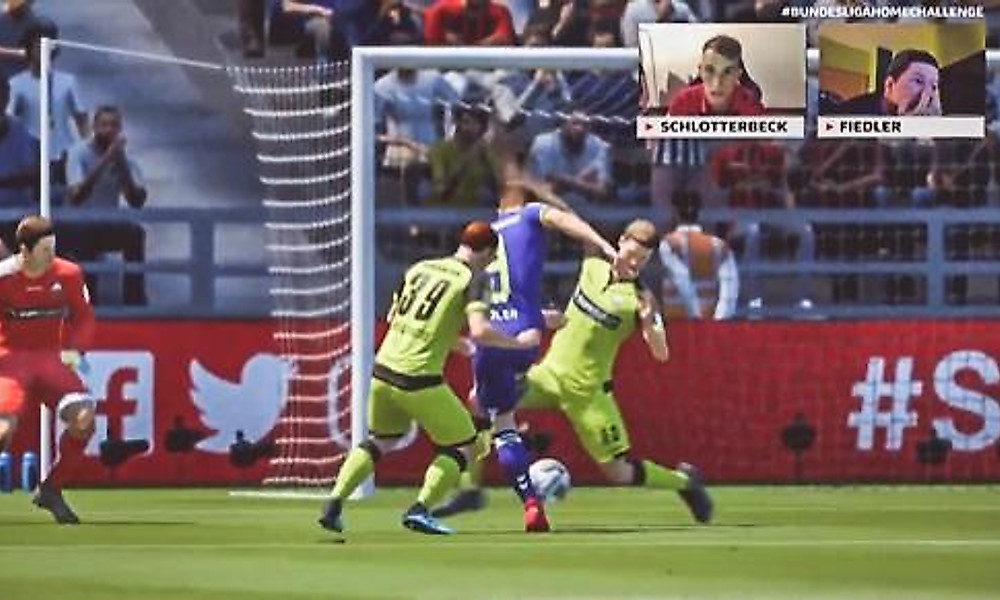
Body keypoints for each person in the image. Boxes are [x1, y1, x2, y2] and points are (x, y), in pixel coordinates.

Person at [435, 220, 714, 524]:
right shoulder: (593, 265)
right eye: (632, 254)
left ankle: (686, 483)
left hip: (588, 393)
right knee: (478, 400)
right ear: (620, 241)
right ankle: (470, 489)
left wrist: (649, 324)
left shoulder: (641, 298)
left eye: (643, 259)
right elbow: (572, 222)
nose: (635, 263)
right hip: (548, 375)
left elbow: (661, 353)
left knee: (618, 473)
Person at [318, 221, 539, 535]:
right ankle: (421, 509)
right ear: (488, 252)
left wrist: (453, 342)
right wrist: (518, 343)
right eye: (492, 257)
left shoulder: (420, 268)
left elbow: (397, 316)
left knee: (380, 440)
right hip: (418, 378)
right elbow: (480, 330)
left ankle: (334, 502)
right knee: (466, 445)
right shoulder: (473, 279)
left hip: (383, 370)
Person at [449, 165, 623, 532]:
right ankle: (492, 482)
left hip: (489, 336)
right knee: (486, 408)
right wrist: (606, 246)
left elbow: (477, 294)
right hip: (524, 336)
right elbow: (565, 220)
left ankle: (504, 493)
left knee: (496, 418)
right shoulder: (531, 215)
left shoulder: (482, 240)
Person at [0, 216, 97, 524]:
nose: (51, 256)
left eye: (53, 248)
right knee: (3, 430)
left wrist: (76, 349)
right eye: (45, 250)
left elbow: (84, 317)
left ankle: (52, 488)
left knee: (84, 419)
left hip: (49, 360)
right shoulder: (3, 278)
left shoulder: (68, 274)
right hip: (10, 362)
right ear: (25, 251)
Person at [65, 105, 147, 305]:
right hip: (78, 224)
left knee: (135, 233)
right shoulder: (78, 153)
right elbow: (77, 196)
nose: (109, 130)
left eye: (114, 125)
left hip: (108, 223)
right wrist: (105, 160)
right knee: (85, 238)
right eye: (104, 125)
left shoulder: (126, 159)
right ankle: (88, 302)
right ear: (95, 127)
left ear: (120, 129)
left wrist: (122, 165)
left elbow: (136, 201)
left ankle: (134, 300)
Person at [6, 23, 89, 187]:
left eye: (46, 43)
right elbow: (9, 122)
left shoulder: (68, 81)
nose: (42, 49)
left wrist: (87, 150)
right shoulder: (16, 84)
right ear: (28, 48)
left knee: (65, 198)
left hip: (64, 154)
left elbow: (82, 119)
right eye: (37, 44)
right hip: (32, 157)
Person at [659, 190, 738, 320]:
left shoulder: (669, 243)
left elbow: (681, 277)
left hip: (676, 320)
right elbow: (729, 290)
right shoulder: (719, 246)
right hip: (709, 320)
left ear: (674, 212)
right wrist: (719, 320)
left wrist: (695, 315)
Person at [668, 35, 765, 117]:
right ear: (700, 71)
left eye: (727, 72)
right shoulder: (682, 103)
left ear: (738, 75)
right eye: (710, 70)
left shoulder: (753, 108)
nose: (717, 84)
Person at [832, 49, 941, 117]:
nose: (928, 93)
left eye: (933, 86)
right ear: (890, 85)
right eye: (918, 81)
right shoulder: (850, 115)